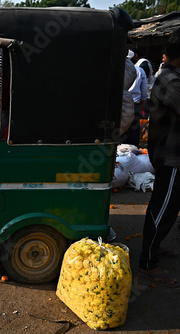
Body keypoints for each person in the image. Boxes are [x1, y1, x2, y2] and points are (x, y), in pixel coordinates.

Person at [138, 28, 180, 288]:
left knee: (171, 206)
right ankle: (147, 263)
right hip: (170, 154)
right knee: (162, 207)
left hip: (172, 153)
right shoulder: (170, 80)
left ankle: (157, 247)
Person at [121, 50, 148, 147]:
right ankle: (133, 149)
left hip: (120, 103)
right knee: (133, 131)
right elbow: (144, 89)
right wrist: (142, 102)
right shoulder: (139, 70)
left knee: (120, 131)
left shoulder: (115, 67)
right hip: (135, 103)